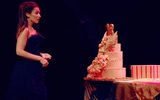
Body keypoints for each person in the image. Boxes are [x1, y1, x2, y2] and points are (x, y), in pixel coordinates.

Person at [5, 1, 52, 100]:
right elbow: (19, 51)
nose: (39, 15)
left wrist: (42, 54)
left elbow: (30, 49)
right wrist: (39, 58)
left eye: (39, 13)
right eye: (36, 13)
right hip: (25, 72)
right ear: (27, 14)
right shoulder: (25, 30)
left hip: (34, 71)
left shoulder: (33, 30)